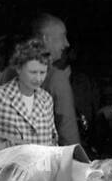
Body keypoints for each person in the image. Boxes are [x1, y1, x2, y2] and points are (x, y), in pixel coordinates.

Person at [0, 38, 58, 147]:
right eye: (33, 72)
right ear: (18, 69)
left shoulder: (46, 100)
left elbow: (53, 140)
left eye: (42, 72)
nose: (38, 78)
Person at [32, 13, 82, 147]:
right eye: (62, 37)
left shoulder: (8, 73)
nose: (67, 43)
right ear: (45, 39)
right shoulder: (56, 79)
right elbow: (68, 136)